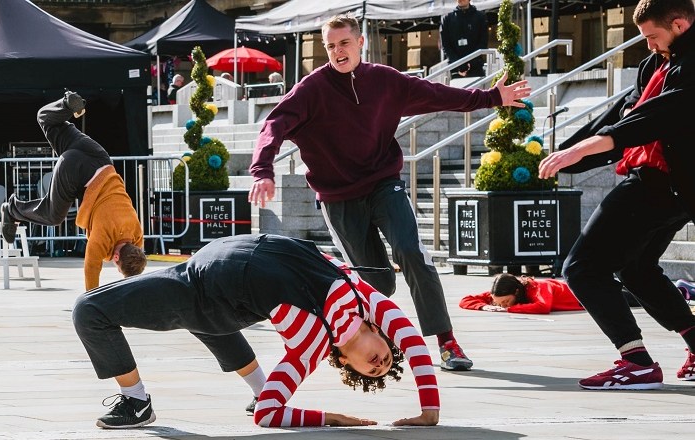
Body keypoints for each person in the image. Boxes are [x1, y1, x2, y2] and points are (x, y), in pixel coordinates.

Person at [249, 13, 531, 372]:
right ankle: (369, 337)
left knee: (412, 251)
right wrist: (262, 169)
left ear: (360, 42)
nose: (338, 52)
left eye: (344, 43)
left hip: (383, 184)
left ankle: (446, 342)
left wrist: (491, 97)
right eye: (331, 46)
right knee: (377, 281)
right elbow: (273, 124)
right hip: (339, 198)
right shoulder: (311, 90)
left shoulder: (385, 81)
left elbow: (438, 94)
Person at [73, 234, 440, 428]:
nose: (378, 364)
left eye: (371, 371)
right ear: (380, 332)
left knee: (89, 310)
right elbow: (416, 346)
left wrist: (331, 417)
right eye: (387, 358)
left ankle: (136, 402)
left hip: (199, 293)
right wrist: (429, 412)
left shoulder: (310, 348)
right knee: (212, 324)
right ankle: (256, 384)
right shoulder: (365, 298)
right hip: (203, 270)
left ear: (345, 361)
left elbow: (268, 414)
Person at [538, 0, 695, 389]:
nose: (649, 45)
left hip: (665, 183)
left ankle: (636, 361)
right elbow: (624, 113)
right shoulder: (654, 63)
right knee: (636, 267)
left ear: (679, 23)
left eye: (653, 36)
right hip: (665, 185)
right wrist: (568, 153)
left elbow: (660, 114)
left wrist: (587, 148)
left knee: (581, 267)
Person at [0, 91, 146, 291]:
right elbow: (91, 268)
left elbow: (137, 255)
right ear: (117, 257)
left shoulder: (136, 233)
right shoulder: (103, 238)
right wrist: (90, 302)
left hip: (99, 157)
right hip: (77, 173)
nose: (113, 262)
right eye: (116, 265)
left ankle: (66, 105)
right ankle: (12, 210)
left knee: (46, 120)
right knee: (53, 216)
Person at [459, 273, 584, 314]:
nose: (501, 305)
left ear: (516, 292)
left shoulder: (540, 286)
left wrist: (509, 308)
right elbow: (465, 300)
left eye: (505, 302)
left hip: (585, 295)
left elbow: (543, 307)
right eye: (498, 303)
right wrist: (484, 306)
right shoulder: (500, 294)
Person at [440, 0, 489, 78]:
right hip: (455, 69)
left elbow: (483, 42)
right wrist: (459, 64)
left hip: (476, 67)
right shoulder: (447, 19)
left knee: (476, 89)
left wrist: (471, 62)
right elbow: (445, 45)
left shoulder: (480, 17)